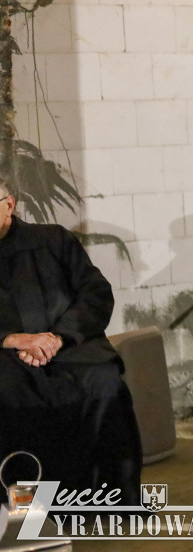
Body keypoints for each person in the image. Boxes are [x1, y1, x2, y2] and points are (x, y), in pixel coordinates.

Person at [0, 178, 142, 505]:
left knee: (104, 383)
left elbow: (95, 294)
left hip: (69, 346)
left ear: (9, 205)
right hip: (7, 357)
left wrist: (57, 337)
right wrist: (12, 339)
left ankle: (110, 499)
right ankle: (28, 508)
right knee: (11, 396)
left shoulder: (53, 240)